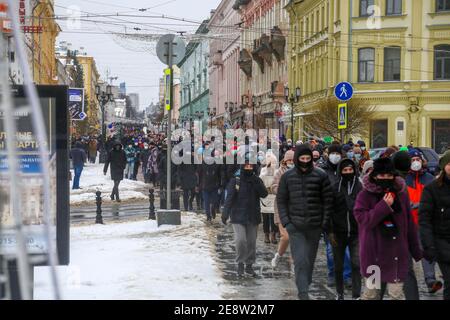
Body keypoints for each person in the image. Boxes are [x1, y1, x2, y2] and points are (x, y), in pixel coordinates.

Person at [354, 157, 423, 300]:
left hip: (397, 254)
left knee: (396, 295)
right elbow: (364, 221)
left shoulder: (401, 194)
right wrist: (383, 207)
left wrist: (416, 251)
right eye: (382, 175)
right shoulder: (365, 195)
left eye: (389, 175)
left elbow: (409, 224)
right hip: (374, 254)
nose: (386, 178)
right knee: (371, 295)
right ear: (375, 176)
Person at [277, 144, 334, 300]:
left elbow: (327, 200)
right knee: (300, 260)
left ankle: (305, 282)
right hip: (295, 226)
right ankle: (303, 294)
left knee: (309, 260)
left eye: (308, 159)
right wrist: (286, 222)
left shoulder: (320, 175)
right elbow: (281, 200)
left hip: (314, 226)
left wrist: (323, 222)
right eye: (302, 158)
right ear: (296, 159)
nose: (305, 161)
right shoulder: (287, 177)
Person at [222, 160, 269, 277]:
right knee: (241, 240)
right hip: (238, 215)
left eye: (251, 165)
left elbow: (264, 194)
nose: (248, 167)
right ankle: (240, 263)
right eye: (246, 165)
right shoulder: (235, 181)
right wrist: (225, 213)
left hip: (253, 216)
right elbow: (229, 198)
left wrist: (256, 182)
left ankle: (249, 265)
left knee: (252, 242)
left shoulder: (256, 180)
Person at [406, 149, 443, 294]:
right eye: (413, 160)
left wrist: (420, 204)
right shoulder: (403, 180)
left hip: (425, 222)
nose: (416, 163)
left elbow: (435, 200)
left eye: (418, 160)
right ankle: (406, 281)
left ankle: (430, 280)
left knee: (427, 250)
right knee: (407, 254)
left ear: (422, 162)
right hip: (408, 223)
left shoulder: (430, 179)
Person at [329, 158, 363, 300]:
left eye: (350, 170)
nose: (348, 172)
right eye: (345, 170)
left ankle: (356, 294)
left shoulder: (360, 187)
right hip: (338, 232)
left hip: (356, 233)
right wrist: (330, 230)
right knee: (338, 265)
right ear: (340, 172)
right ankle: (340, 293)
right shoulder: (335, 186)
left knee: (356, 264)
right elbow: (329, 210)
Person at [419, 150, 450, 300]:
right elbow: (425, 219)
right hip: (442, 241)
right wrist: (429, 245)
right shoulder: (432, 189)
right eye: (449, 164)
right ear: (444, 166)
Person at [320, 143, 352, 287]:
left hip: (345, 215)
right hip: (329, 214)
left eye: (337, 154)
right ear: (328, 154)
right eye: (333, 153)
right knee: (330, 249)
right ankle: (333, 274)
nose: (335, 156)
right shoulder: (322, 171)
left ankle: (347, 275)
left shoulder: (346, 169)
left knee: (346, 250)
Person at [271, 150, 294, 268]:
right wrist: (283, 191)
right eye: (288, 160)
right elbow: (273, 187)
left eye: (292, 160)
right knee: (286, 237)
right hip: (282, 208)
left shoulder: (298, 172)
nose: (290, 162)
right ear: (284, 160)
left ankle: (294, 263)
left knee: (295, 238)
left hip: (296, 209)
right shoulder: (279, 172)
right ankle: (278, 255)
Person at [259, 151, 278, 244]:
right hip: (265, 196)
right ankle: (266, 234)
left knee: (274, 216)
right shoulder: (263, 170)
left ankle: (273, 234)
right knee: (265, 216)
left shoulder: (277, 171)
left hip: (274, 196)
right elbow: (260, 179)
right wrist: (267, 169)